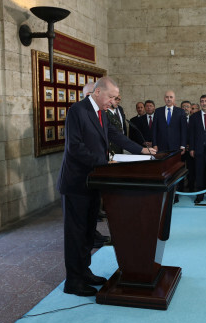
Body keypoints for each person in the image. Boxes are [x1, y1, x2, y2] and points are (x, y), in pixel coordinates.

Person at [57, 77, 156, 297]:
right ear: (98, 91)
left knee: (88, 233)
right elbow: (75, 148)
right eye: (111, 97)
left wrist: (142, 151)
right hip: (75, 183)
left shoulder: (102, 113)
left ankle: (84, 272)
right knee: (76, 234)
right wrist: (104, 160)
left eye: (114, 98)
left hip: (93, 181)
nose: (113, 102)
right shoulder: (78, 111)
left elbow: (116, 136)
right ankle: (73, 281)